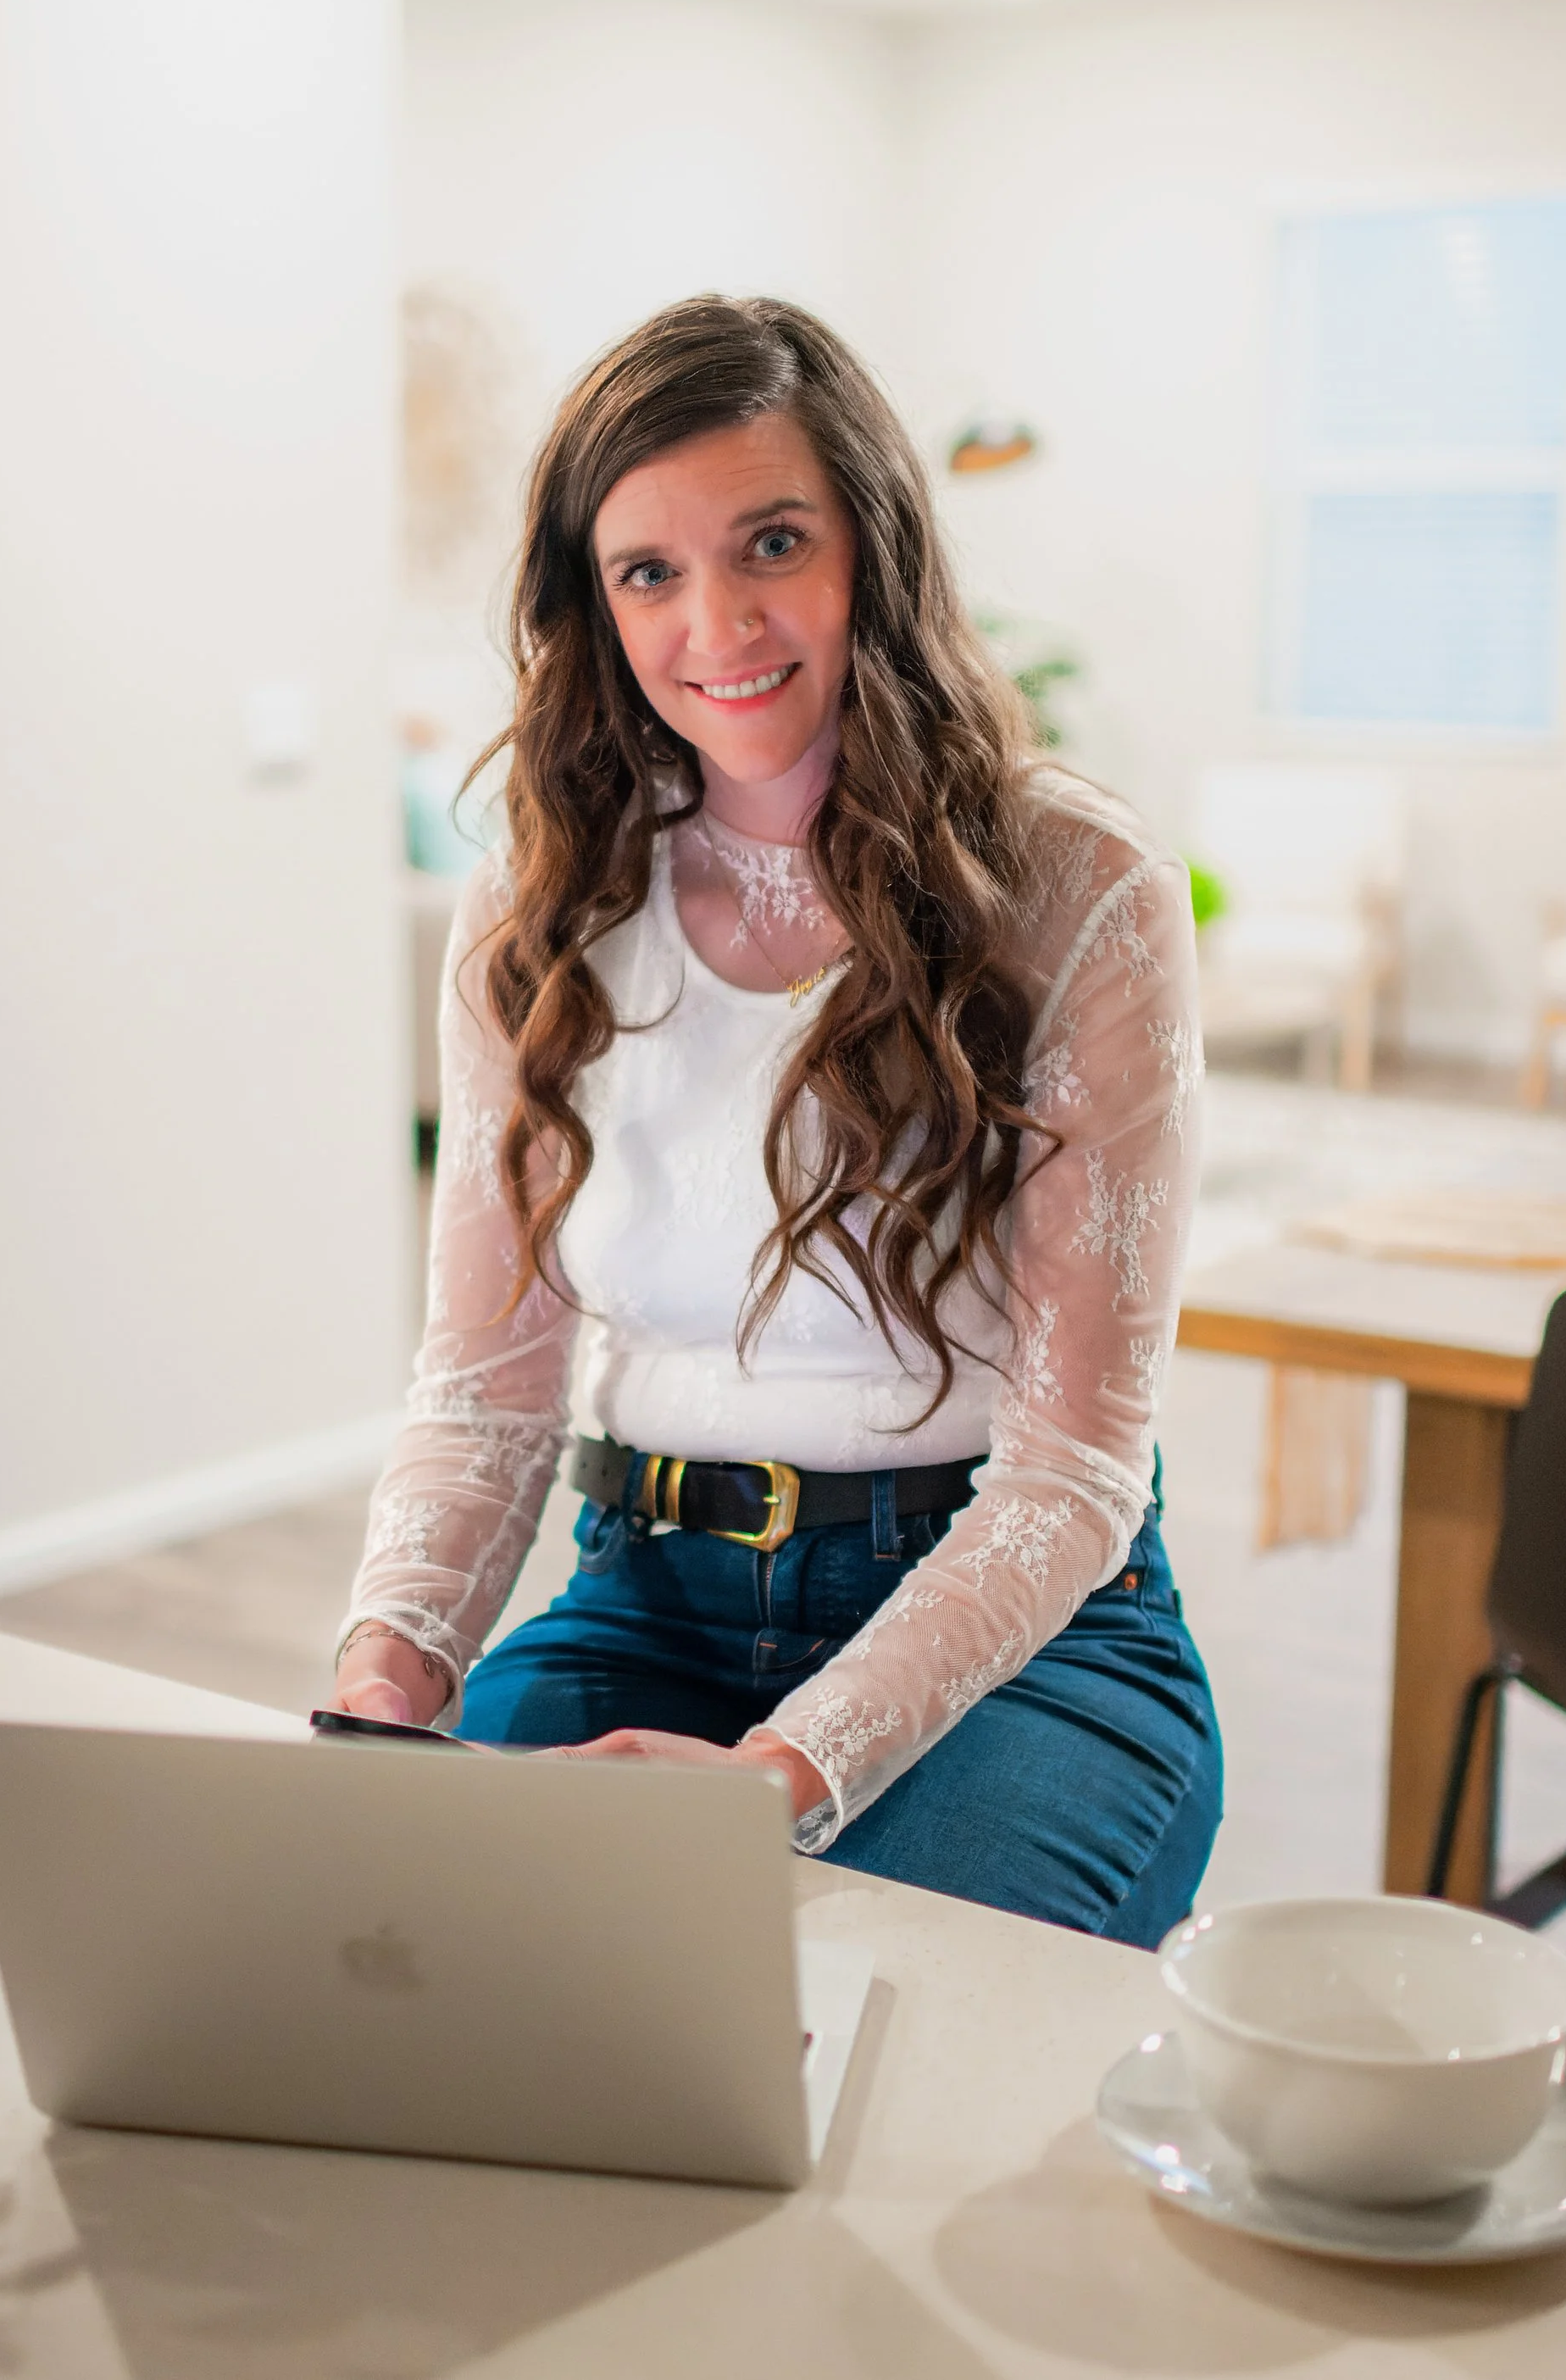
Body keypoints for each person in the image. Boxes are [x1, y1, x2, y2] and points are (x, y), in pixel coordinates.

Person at [331, 295, 1221, 1943]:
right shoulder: (535, 904)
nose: (715, 619)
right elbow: (483, 1386)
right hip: (643, 1596)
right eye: (647, 570)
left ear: (870, 549)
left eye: (770, 542)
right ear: (588, 608)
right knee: (438, 1967)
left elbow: (1072, 1467)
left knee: (871, 2003)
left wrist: (785, 1771)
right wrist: (385, 1671)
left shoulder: (1074, 887)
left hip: (1025, 1626)